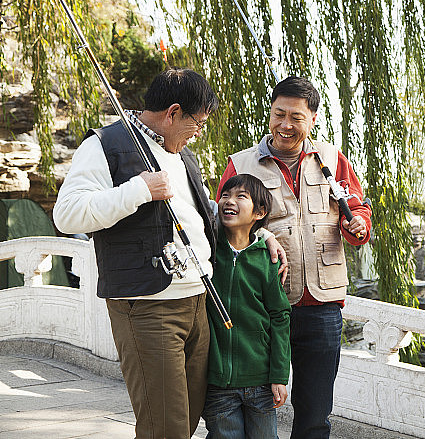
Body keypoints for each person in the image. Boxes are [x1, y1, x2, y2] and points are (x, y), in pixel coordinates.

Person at [52, 68, 285, 439]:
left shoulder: (181, 154)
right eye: (198, 122)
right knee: (166, 427)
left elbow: (203, 212)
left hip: (198, 302)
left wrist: (261, 234)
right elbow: (67, 215)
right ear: (173, 113)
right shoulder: (104, 145)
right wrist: (138, 189)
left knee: (189, 417)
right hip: (147, 306)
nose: (199, 131)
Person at [216, 76, 372, 439]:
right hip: (262, 307)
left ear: (312, 119)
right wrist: (262, 233)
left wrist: (358, 226)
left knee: (316, 415)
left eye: (296, 117)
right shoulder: (240, 165)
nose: (286, 125)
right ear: (269, 113)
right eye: (278, 114)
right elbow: (221, 226)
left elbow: (356, 210)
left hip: (322, 305)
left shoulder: (332, 160)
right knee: (255, 407)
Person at [203, 173, 291, 439]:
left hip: (260, 381)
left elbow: (280, 316)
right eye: (226, 195)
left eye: (241, 196)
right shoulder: (207, 252)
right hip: (218, 383)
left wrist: (279, 375)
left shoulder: (266, 259)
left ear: (259, 212)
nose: (229, 201)